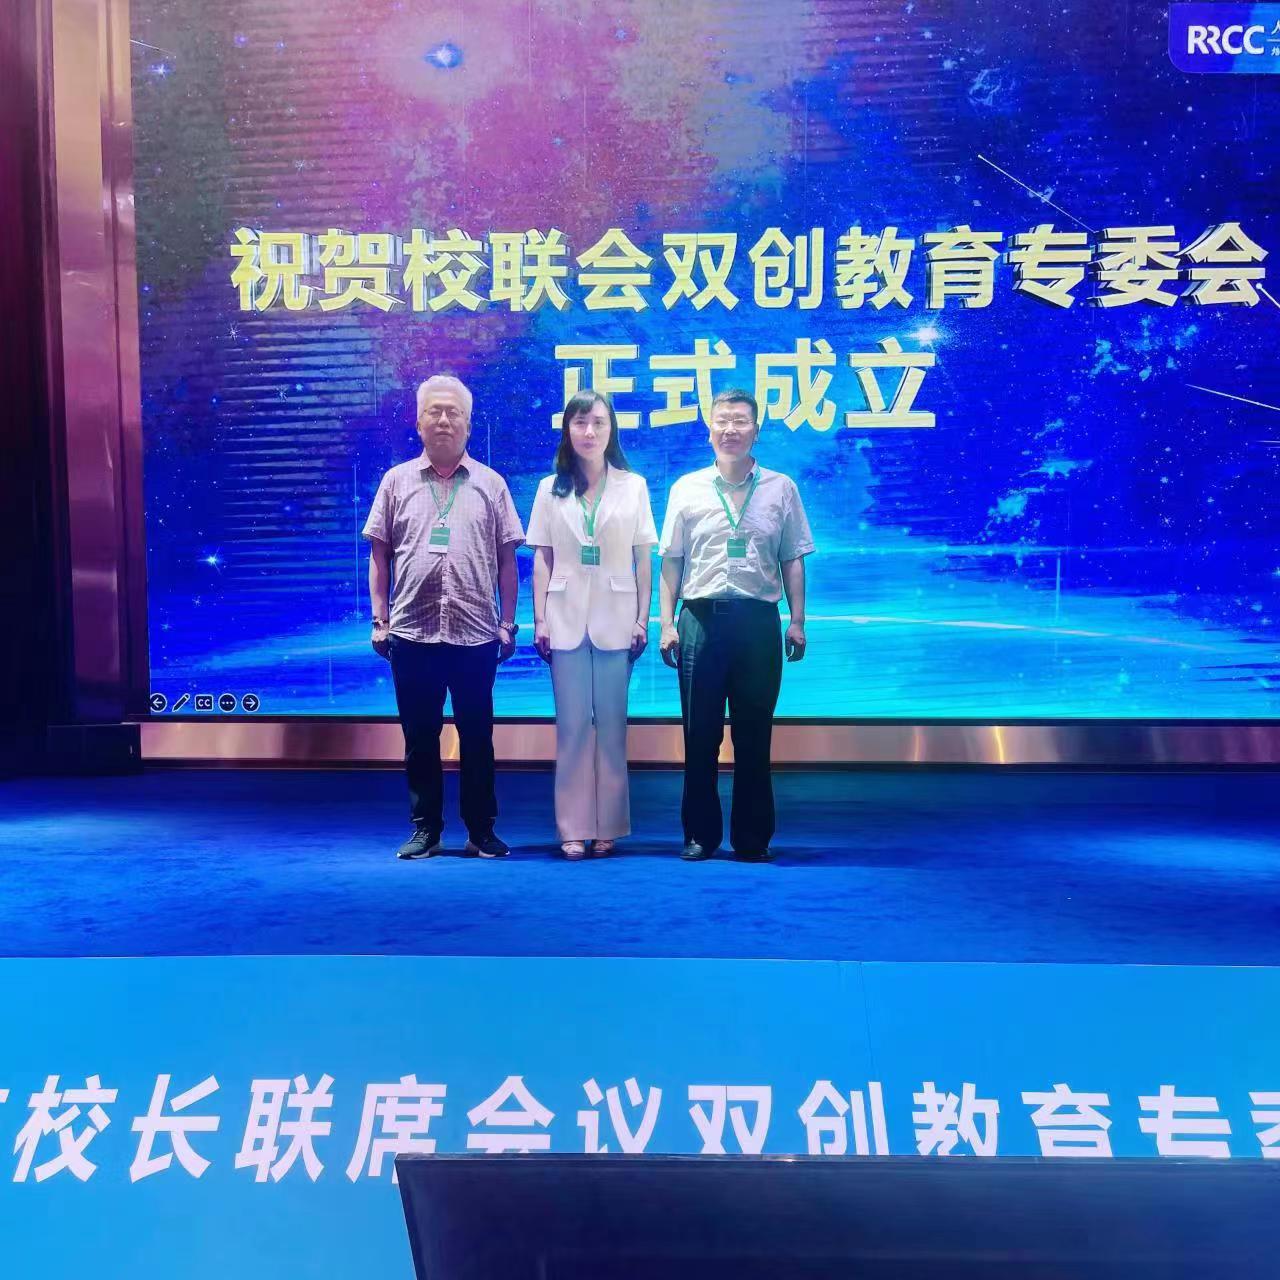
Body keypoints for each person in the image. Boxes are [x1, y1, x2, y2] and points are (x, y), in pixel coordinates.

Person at [363, 374, 524, 860]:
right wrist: (379, 620)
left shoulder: (491, 484)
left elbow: (507, 561)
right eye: (434, 411)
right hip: (411, 632)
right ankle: (425, 830)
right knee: (419, 739)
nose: (444, 419)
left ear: (469, 425)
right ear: (418, 422)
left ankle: (481, 830)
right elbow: (379, 554)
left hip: (476, 633)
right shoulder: (396, 481)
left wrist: (508, 623)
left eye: (454, 412)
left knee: (477, 737)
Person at [658, 389, 815, 862]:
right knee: (699, 735)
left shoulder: (781, 488)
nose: (731, 429)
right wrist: (666, 624)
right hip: (700, 622)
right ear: (709, 430)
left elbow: (793, 558)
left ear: (756, 431)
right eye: (722, 421)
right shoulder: (687, 487)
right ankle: (700, 835)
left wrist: (798, 621)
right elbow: (672, 561)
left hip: (758, 625)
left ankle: (752, 838)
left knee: (754, 735)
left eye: (741, 421)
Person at [526, 390, 657, 859]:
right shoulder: (549, 488)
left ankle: (610, 826)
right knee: (573, 728)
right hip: (563, 618)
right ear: (567, 430)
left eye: (599, 422)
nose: (589, 432)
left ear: (611, 429)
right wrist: (539, 617)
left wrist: (643, 617)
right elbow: (542, 557)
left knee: (613, 728)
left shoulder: (634, 486)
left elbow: (644, 559)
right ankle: (572, 827)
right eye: (580, 423)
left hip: (617, 618)